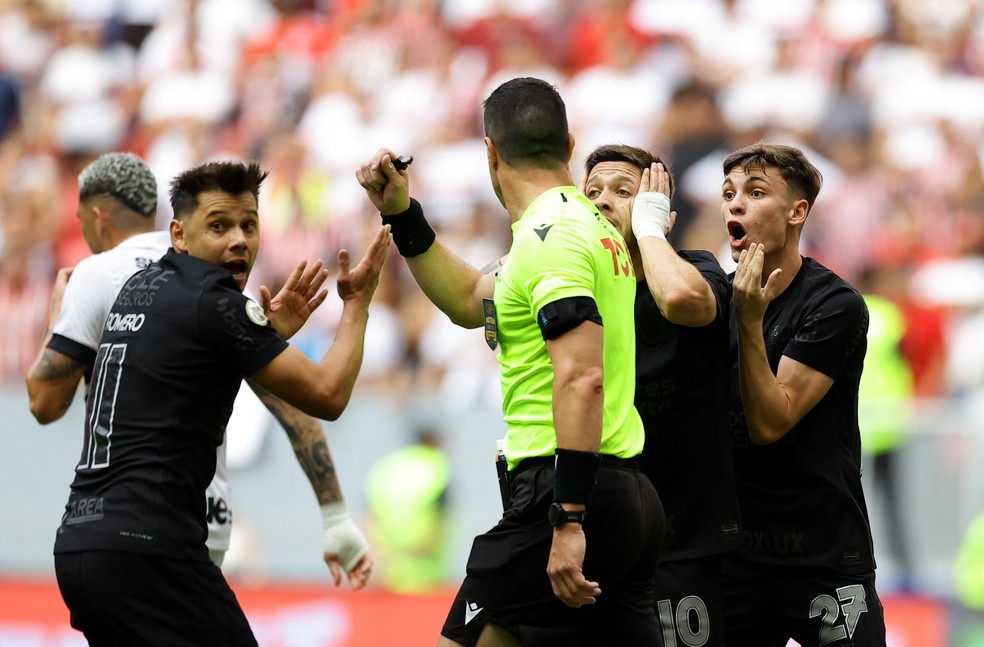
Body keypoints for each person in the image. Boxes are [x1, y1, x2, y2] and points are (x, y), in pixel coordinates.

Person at [357, 76, 664, 647]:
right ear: (569, 145)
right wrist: (403, 214)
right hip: (627, 495)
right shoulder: (585, 229)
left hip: (565, 490)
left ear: (490, 152)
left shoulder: (552, 239)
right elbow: (471, 301)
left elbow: (582, 375)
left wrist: (568, 517)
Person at [49, 159, 391, 645]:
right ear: (178, 235)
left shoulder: (139, 289)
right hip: (151, 550)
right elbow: (328, 394)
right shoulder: (214, 302)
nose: (239, 240)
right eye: (219, 225)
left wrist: (263, 337)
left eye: (249, 225)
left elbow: (185, 370)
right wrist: (357, 304)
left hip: (83, 546)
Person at [721, 142, 886, 645]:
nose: (735, 204)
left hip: (825, 557)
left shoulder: (835, 304)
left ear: (798, 212)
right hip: (735, 561)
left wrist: (749, 322)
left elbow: (771, 422)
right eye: (728, 193)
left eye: (754, 191)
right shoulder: (708, 299)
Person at [581, 144, 741, 647]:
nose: (603, 202)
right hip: (595, 537)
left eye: (624, 192)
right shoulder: (571, 285)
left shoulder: (698, 271)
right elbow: (470, 301)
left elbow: (681, 300)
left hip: (686, 541)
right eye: (592, 193)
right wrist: (405, 219)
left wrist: (648, 232)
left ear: (659, 215)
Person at [365, 426, 452, 593]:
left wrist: (380, 557)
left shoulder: (387, 468)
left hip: (387, 572)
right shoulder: (438, 468)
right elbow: (439, 520)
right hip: (425, 575)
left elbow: (370, 516)